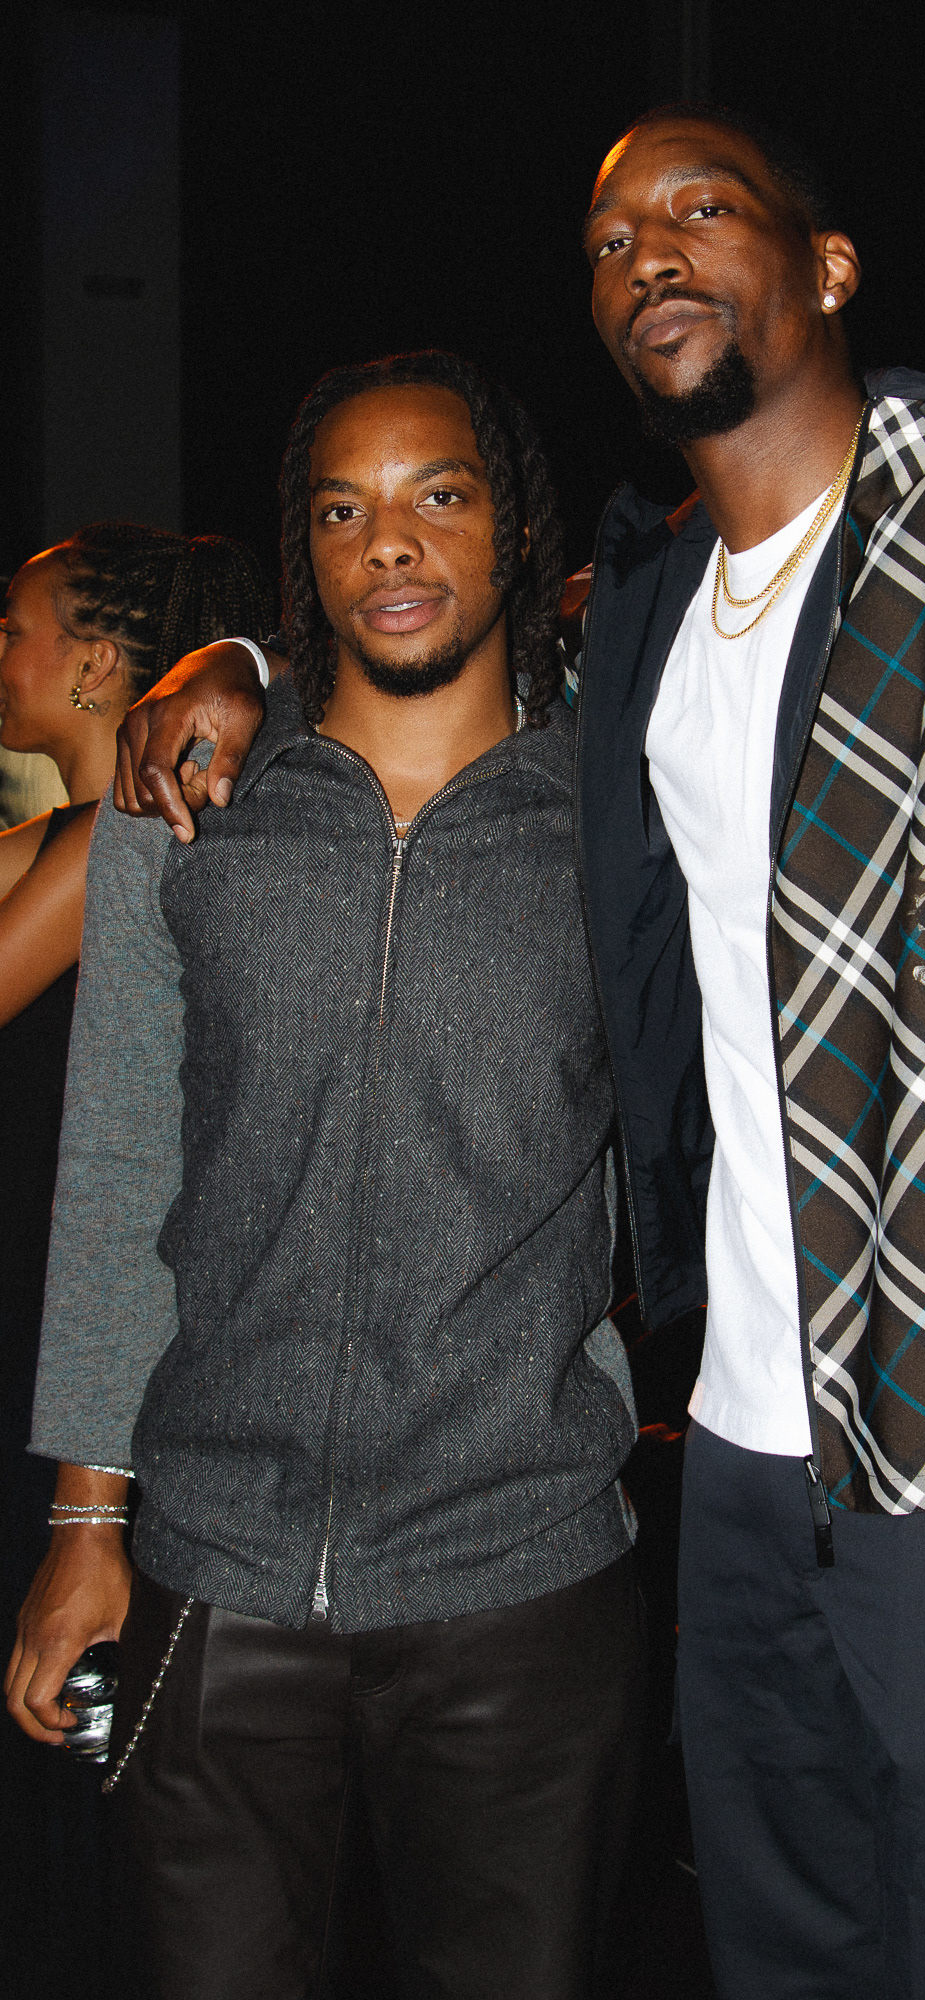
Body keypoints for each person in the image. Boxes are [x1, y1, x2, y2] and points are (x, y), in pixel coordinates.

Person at [107, 107, 925, 2000]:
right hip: (745, 1482)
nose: (647, 254)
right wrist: (244, 669)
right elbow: (433, 655)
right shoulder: (658, 615)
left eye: (699, 209)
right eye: (606, 240)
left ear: (824, 267)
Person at [6, 352, 643, 2000]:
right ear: (305, 551)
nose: (393, 545)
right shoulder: (187, 798)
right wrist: (89, 1521)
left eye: (440, 495)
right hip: (218, 1576)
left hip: (523, 1576)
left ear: (511, 530)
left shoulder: (620, 820)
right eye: (343, 510)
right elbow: (121, 1155)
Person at [0, 526, 274, 1999]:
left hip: (84, 1326)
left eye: (19, 626)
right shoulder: (67, 833)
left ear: (104, 662)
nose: (2, 652)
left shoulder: (120, 837)